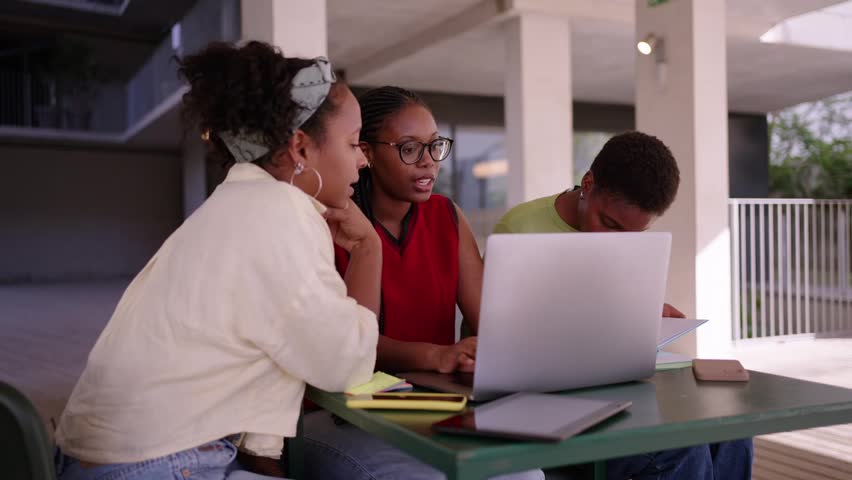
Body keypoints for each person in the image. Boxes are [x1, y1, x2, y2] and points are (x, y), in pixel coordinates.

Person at [52, 41, 382, 480]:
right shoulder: (279, 213)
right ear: (300, 148)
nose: (363, 159)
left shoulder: (236, 204)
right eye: (355, 142)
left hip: (116, 458)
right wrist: (368, 249)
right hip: (157, 465)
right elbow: (347, 365)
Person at [302, 86, 542, 480]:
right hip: (337, 411)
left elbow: (491, 321)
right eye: (410, 149)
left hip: (431, 405)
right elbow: (343, 349)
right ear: (366, 153)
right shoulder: (331, 226)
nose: (429, 163)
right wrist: (435, 356)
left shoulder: (447, 216)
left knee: (522, 475)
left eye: (435, 146)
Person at [494, 131, 754, 479]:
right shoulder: (520, 229)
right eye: (609, 224)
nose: (617, 242)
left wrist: (644, 315)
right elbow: (495, 341)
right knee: (682, 448)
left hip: (621, 394)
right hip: (545, 404)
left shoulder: (628, 240)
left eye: (632, 235)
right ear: (588, 184)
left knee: (734, 428)